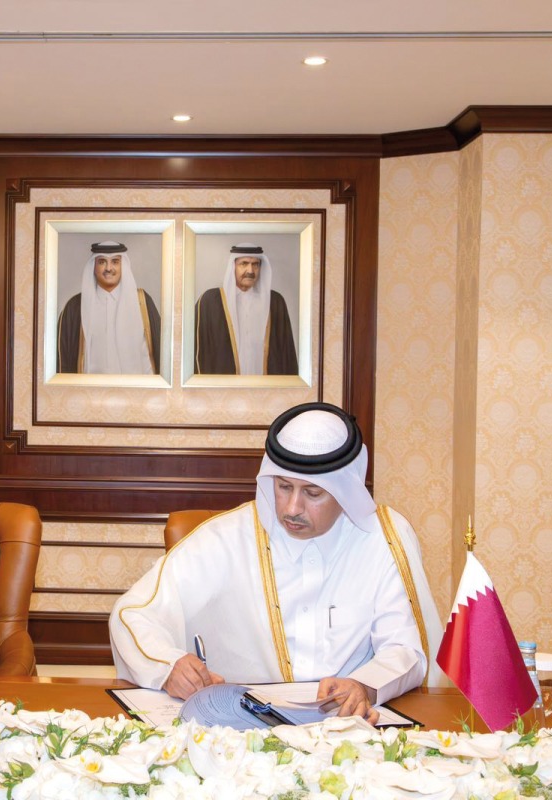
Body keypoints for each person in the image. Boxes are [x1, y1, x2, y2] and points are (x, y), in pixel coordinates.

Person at [109, 402, 443, 721]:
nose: (291, 508)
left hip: (349, 727)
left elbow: (405, 647)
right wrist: (168, 667)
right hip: (241, 731)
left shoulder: (381, 538)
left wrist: (365, 686)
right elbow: (133, 613)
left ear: (346, 491)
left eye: (312, 493)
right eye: (283, 487)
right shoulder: (226, 538)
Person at [57, 241, 161, 374]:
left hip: (137, 391)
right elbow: (63, 361)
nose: (108, 268)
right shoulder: (75, 306)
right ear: (93, 267)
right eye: (102, 262)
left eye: (115, 262)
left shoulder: (142, 302)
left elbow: (159, 351)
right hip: (89, 392)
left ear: (123, 266)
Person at [194, 243, 298, 375]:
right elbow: (197, 351)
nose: (250, 270)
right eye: (244, 263)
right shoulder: (210, 301)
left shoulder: (275, 302)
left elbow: (286, 351)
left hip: (265, 389)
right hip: (224, 390)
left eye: (255, 264)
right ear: (233, 267)